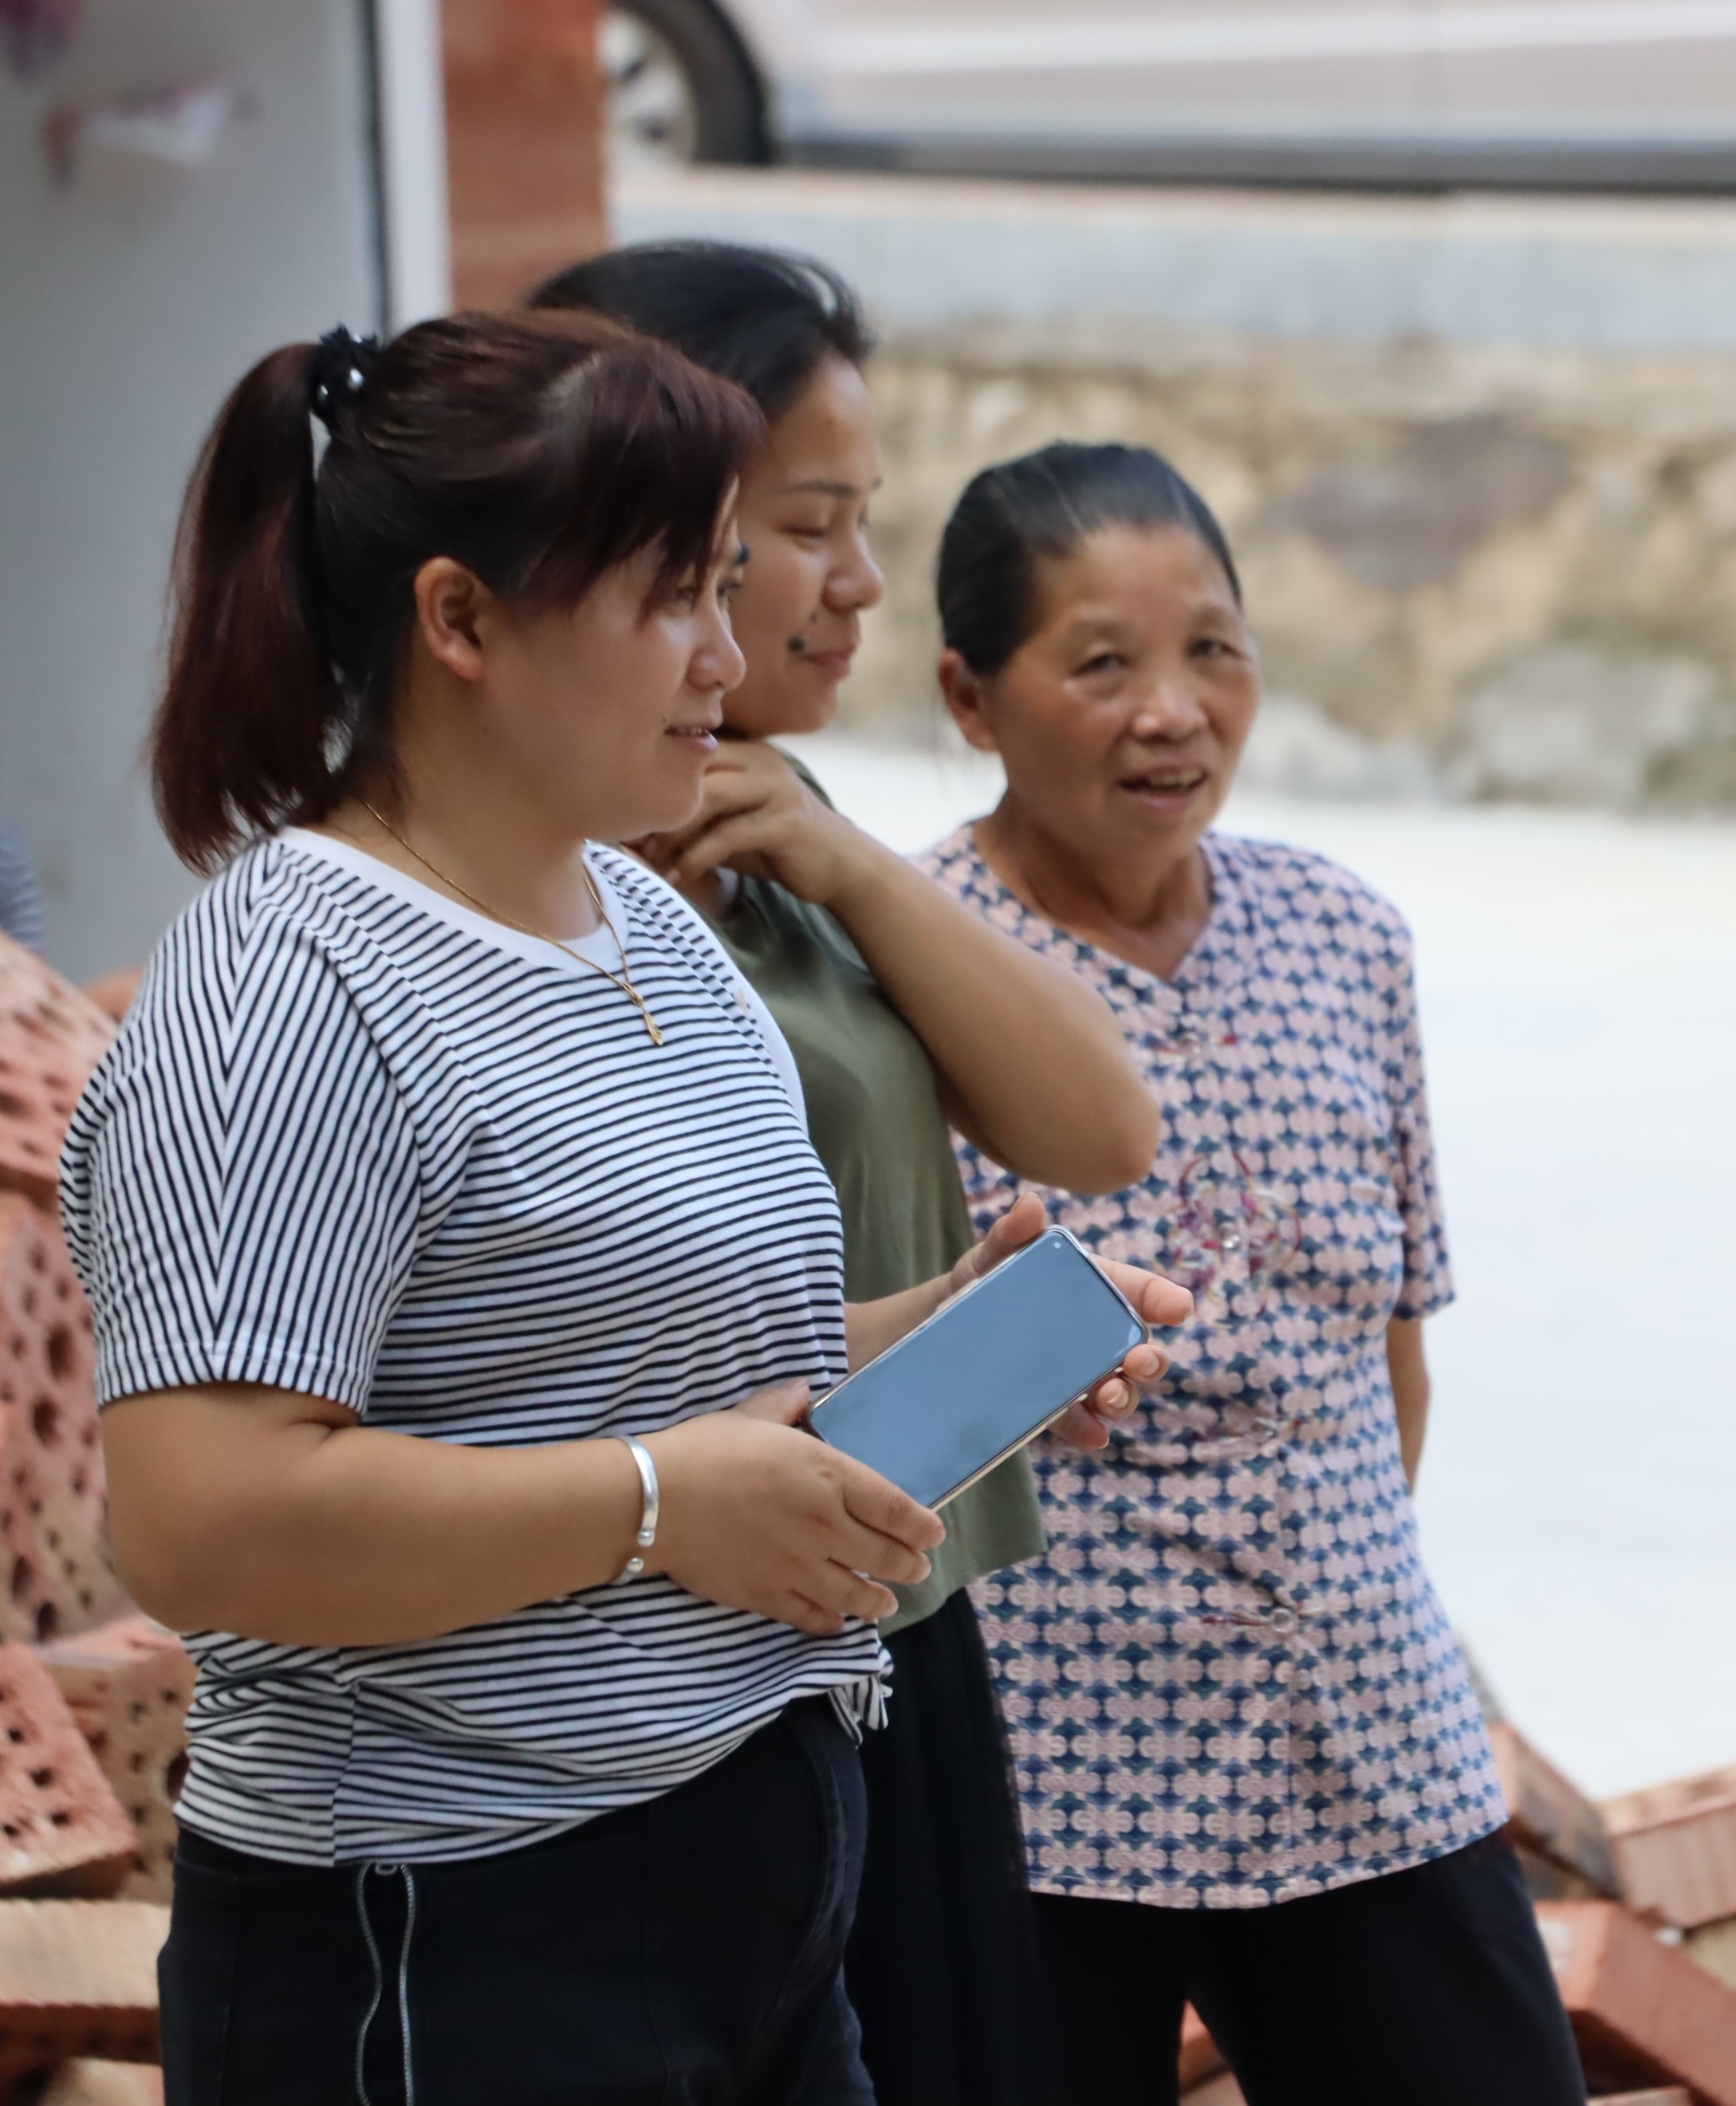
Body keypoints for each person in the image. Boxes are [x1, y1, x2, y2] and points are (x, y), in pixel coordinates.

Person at [61, 312, 1187, 2103]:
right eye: (676, 596)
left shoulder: (637, 916)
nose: (731, 656)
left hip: (748, 1856)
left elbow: (662, 1364)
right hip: (441, 1926)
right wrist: (663, 1505)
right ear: (460, 622)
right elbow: (208, 1515)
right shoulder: (292, 986)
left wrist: (951, 1333)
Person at [529, 242, 1163, 2106]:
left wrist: (853, 865)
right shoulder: (561, 888)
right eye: (811, 525)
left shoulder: (790, 846)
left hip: (908, 1622)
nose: (860, 582)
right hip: (704, 1669)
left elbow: (1103, 1129)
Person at [921, 442, 1585, 2106]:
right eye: (1102, 662)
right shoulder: (902, 965)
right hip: (1052, 1770)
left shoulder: (1343, 936)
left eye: (1214, 647)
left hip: (1367, 1734)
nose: (1174, 710)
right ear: (968, 696)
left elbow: (1391, 1352)